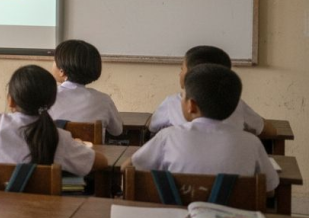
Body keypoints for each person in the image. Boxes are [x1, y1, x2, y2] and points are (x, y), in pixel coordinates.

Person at [0, 16, 108, 175]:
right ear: (51, 102)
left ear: (11, 100)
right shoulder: (55, 139)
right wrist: (80, 146)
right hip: (36, 205)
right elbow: (102, 163)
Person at [126, 64, 278, 192]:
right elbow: (270, 188)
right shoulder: (251, 142)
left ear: (191, 105)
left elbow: (129, 168)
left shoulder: (167, 137)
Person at [148, 45, 276, 136]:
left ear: (193, 75)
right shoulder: (237, 105)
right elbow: (270, 131)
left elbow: (151, 127)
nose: (179, 73)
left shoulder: (172, 103)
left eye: (182, 69)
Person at [47, 39, 123, 139]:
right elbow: (117, 131)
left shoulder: (46, 97)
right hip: (90, 153)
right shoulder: (104, 100)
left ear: (62, 71)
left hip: (52, 153)